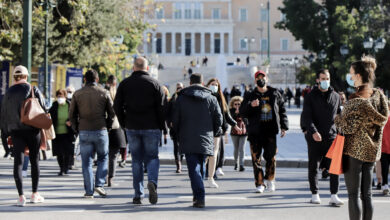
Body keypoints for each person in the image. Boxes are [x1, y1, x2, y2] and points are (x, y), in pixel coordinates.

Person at [335, 56, 389, 220]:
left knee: (353, 195)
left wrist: (338, 114)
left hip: (354, 152)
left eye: (351, 73)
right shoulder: (379, 96)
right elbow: (383, 119)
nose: (350, 77)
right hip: (372, 151)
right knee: (367, 195)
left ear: (359, 75)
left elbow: (344, 126)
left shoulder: (354, 101)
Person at [114, 57, 166, 205]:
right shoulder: (155, 84)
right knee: (152, 157)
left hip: (132, 126)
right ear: (147, 68)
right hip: (152, 126)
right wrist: (162, 126)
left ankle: (138, 194)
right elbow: (162, 107)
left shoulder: (125, 84)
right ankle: (152, 181)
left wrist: (124, 122)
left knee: (136, 160)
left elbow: (116, 106)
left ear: (133, 67)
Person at [172, 73, 223, 208]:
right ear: (203, 83)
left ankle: (200, 196)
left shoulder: (181, 98)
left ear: (190, 82)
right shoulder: (211, 98)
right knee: (199, 166)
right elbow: (219, 118)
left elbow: (175, 119)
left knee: (194, 168)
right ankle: (197, 196)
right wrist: (214, 131)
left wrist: (176, 134)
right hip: (206, 137)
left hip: (187, 137)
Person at [0, 65, 46, 206]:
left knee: (18, 163)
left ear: (14, 77)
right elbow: (44, 108)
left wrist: (5, 134)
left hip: (16, 132)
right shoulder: (33, 89)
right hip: (33, 130)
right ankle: (34, 194)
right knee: (34, 161)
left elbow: (4, 115)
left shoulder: (8, 93)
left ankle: (21, 196)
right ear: (26, 76)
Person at [240, 70, 288, 193]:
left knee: (271, 157)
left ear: (266, 79)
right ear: (255, 81)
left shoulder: (274, 93)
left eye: (262, 77)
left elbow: (282, 110)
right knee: (256, 159)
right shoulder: (250, 95)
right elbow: (242, 112)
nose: (260, 79)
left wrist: (284, 126)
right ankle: (259, 183)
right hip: (255, 132)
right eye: (258, 78)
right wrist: (251, 105)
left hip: (270, 130)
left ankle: (270, 179)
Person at [69, 69, 115, 198]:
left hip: (84, 130)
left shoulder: (77, 94)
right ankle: (99, 184)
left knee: (86, 162)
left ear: (85, 80)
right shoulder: (104, 92)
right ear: (97, 79)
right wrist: (108, 126)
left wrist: (76, 128)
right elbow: (112, 113)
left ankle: (89, 191)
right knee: (103, 157)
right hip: (101, 129)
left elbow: (71, 114)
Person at [300, 69, 343, 206]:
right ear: (318, 80)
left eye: (327, 78)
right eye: (323, 78)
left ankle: (334, 195)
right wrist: (313, 131)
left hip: (331, 137)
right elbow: (307, 116)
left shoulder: (336, 96)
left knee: (334, 167)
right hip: (315, 138)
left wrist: (340, 132)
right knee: (314, 166)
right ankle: (315, 194)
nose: (325, 81)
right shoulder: (310, 96)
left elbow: (337, 116)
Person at [205, 78, 239, 188]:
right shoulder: (204, 96)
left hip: (217, 130)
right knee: (205, 154)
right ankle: (202, 174)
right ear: (208, 85)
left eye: (216, 85)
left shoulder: (221, 98)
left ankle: (211, 177)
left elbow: (227, 114)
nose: (214, 86)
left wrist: (234, 125)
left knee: (214, 153)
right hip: (205, 129)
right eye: (212, 84)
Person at [104, 75, 126, 187]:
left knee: (104, 154)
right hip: (116, 127)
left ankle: (103, 176)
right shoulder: (118, 94)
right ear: (115, 83)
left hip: (103, 127)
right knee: (113, 155)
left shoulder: (102, 93)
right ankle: (110, 177)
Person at [49, 89, 76, 176]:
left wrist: (71, 122)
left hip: (68, 132)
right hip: (57, 133)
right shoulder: (54, 106)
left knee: (67, 152)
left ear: (65, 96)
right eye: (58, 96)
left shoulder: (70, 105)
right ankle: (61, 168)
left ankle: (66, 168)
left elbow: (75, 116)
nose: (60, 98)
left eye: (61, 96)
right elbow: (49, 116)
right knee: (59, 152)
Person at [167, 82, 184, 173]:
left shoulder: (187, 98)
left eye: (180, 87)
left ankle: (181, 159)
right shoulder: (172, 99)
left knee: (182, 146)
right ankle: (178, 165)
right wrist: (169, 123)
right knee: (176, 146)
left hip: (184, 127)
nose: (179, 89)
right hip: (174, 127)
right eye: (178, 88)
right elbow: (168, 113)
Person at [229, 96, 248, 171]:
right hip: (234, 132)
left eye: (239, 104)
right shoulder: (230, 111)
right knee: (236, 148)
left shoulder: (244, 110)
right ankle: (236, 163)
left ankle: (241, 164)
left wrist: (241, 114)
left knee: (242, 148)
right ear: (232, 104)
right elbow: (229, 120)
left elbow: (246, 121)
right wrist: (235, 114)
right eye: (235, 104)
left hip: (243, 132)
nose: (237, 106)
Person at [381, 99, 390, 195]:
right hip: (383, 148)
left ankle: (385, 184)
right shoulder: (381, 118)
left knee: (385, 168)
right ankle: (385, 184)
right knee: (385, 168)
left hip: (388, 147)